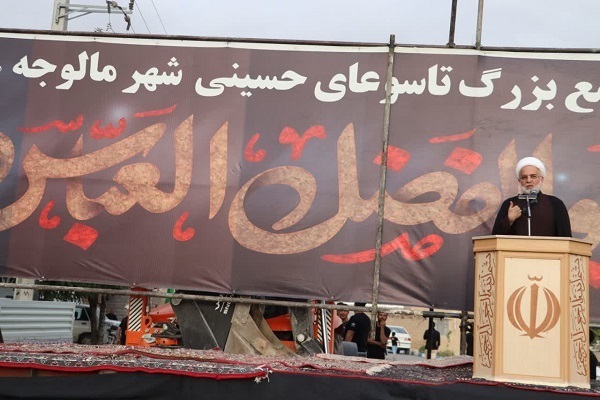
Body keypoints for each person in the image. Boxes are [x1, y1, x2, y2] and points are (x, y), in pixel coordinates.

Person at [492, 156, 571, 237]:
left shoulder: (555, 204)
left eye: (533, 176)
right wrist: (509, 220)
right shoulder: (509, 204)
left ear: (541, 179)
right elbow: (495, 238)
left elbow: (566, 238)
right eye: (524, 177)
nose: (528, 180)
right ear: (519, 181)